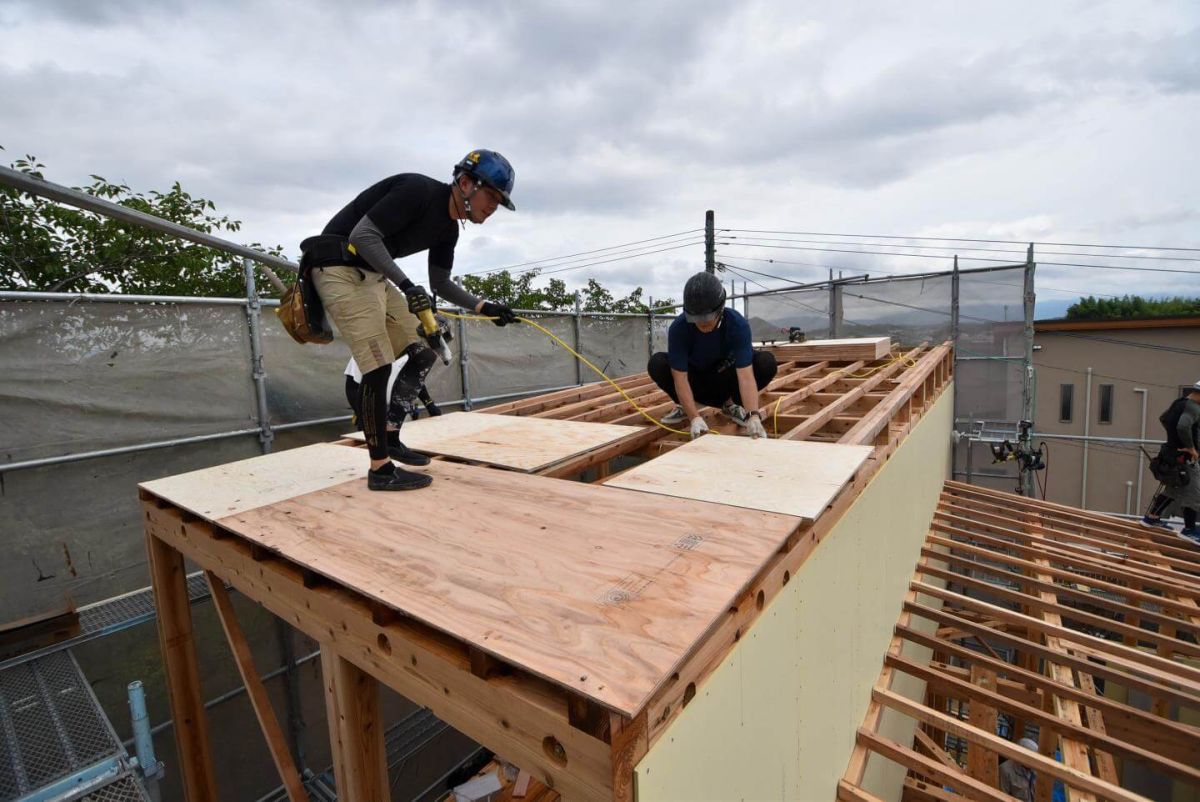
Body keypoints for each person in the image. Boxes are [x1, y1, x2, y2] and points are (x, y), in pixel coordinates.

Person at [303, 150, 518, 490]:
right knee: (377, 366)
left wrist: (483, 307)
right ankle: (380, 470)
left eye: (498, 202)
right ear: (465, 183)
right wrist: (406, 286)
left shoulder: (448, 231)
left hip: (371, 273)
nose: (493, 208)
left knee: (425, 348)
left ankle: (389, 437)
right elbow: (362, 236)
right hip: (337, 265)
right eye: (491, 197)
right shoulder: (418, 191)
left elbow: (441, 284)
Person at [647, 271, 777, 440]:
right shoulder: (679, 328)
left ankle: (731, 405)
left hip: (724, 382)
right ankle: (686, 406)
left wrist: (753, 414)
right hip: (696, 383)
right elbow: (680, 378)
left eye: (707, 320)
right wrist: (694, 417)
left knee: (766, 362)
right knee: (657, 363)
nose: (702, 324)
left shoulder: (736, 325)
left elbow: (745, 375)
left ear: (720, 309)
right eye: (696, 319)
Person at [1142, 380, 1200, 540]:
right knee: (1195, 492)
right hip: (1185, 457)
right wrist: (1190, 447)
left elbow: (1164, 418)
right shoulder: (1194, 408)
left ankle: (1152, 518)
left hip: (1172, 453)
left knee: (1174, 488)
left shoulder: (1179, 403)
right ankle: (1189, 530)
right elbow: (1183, 426)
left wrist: (1173, 440)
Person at [998, 737, 1039, 802]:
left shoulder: (1036, 770)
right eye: (1031, 758)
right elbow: (1002, 797)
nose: (1034, 761)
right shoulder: (1005, 770)